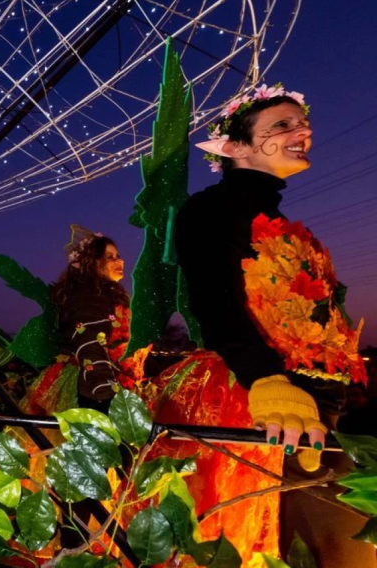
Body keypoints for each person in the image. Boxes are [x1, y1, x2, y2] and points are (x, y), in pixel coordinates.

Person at [169, 83, 371, 565]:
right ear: (235, 147)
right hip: (252, 399)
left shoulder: (285, 224)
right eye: (281, 125)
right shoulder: (209, 210)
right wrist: (265, 378)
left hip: (317, 406)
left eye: (302, 122)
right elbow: (214, 301)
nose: (303, 131)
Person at [21, 226, 146, 416]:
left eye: (117, 255)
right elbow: (89, 340)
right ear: (91, 263)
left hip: (112, 379)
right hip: (95, 383)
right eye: (109, 257)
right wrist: (104, 390)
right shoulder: (88, 294)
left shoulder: (105, 293)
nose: (120, 260)